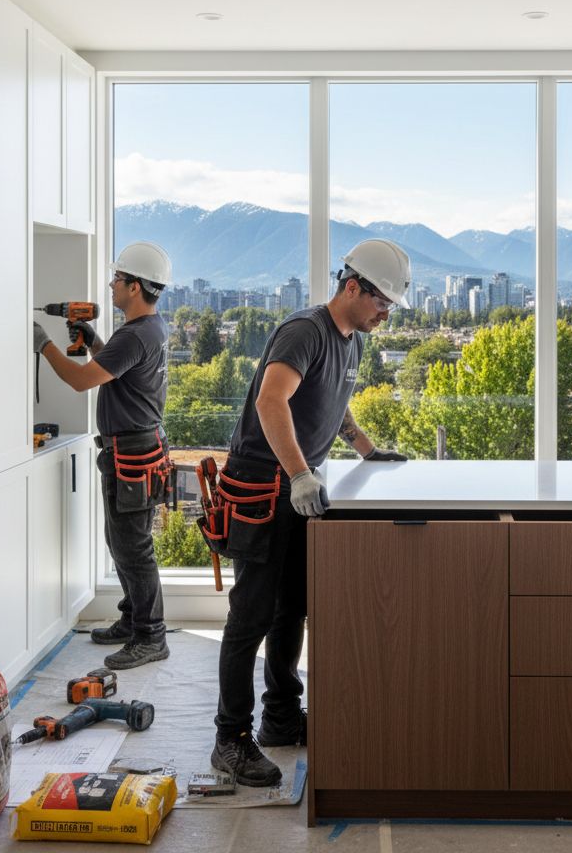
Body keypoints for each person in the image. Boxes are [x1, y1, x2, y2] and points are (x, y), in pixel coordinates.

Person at [210, 238, 411, 787]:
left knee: (291, 608)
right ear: (352, 287)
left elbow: (334, 401)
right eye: (382, 302)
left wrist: (367, 448)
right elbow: (271, 401)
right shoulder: (305, 331)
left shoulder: (352, 340)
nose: (385, 313)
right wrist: (299, 473)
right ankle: (230, 739)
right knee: (250, 616)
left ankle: (278, 718)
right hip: (262, 484)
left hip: (297, 487)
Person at [33, 241, 173, 670]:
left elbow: (79, 381)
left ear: (135, 287)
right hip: (134, 449)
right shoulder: (151, 329)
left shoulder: (135, 335)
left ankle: (151, 636)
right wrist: (92, 339)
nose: (110, 285)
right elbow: (114, 368)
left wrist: (43, 345)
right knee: (121, 541)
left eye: (117, 278)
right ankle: (134, 620)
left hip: (131, 454)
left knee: (133, 548)